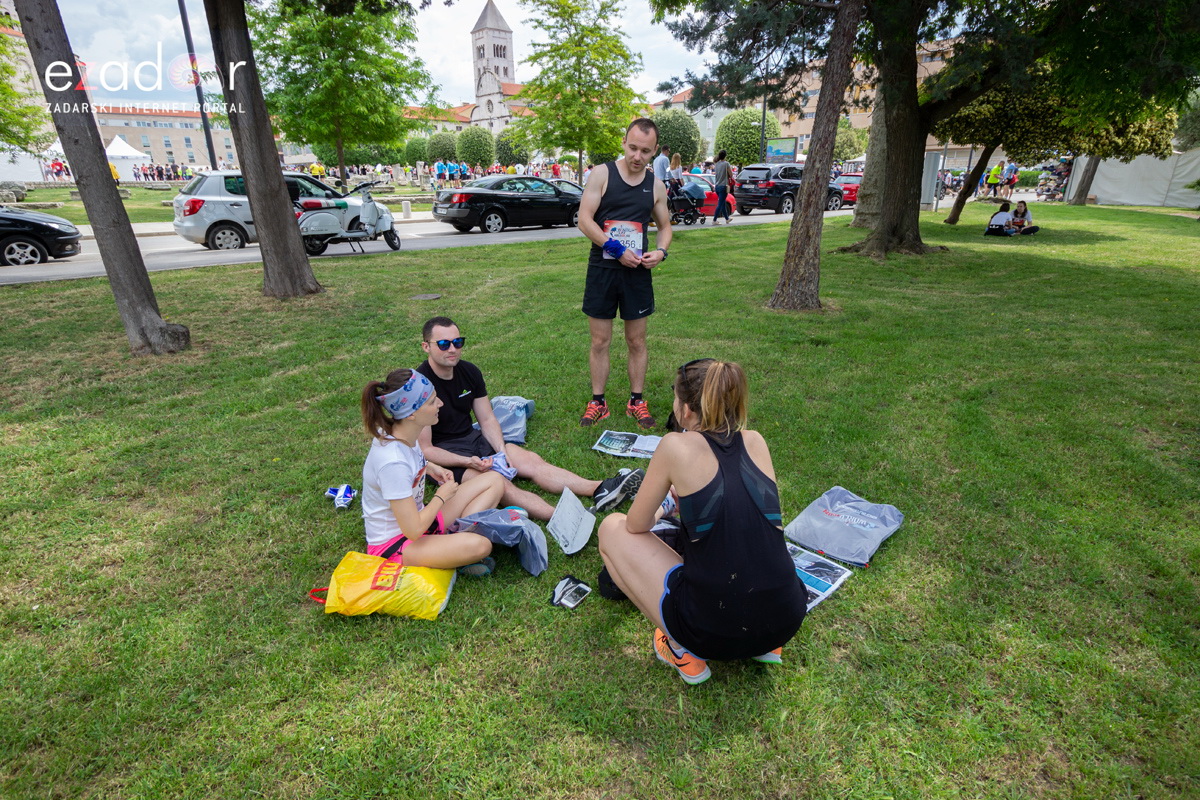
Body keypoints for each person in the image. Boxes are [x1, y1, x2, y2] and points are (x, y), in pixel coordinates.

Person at [597, 359, 807, 685]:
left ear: (686, 410)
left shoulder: (674, 445)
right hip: (786, 619)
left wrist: (663, 508)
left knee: (611, 527)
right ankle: (763, 645)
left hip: (711, 631)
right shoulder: (756, 440)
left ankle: (680, 647)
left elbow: (635, 525)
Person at [415, 317, 645, 521]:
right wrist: (467, 462)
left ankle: (600, 488)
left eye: (458, 342)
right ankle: (562, 517)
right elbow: (426, 449)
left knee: (531, 462)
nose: (453, 349)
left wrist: (501, 451)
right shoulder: (419, 385)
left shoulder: (469, 371)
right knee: (499, 483)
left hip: (473, 439)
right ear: (426, 346)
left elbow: (487, 419)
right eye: (444, 344)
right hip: (445, 456)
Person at [577, 118, 673, 430]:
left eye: (645, 151)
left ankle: (636, 401)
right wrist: (616, 248)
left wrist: (661, 251)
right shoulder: (602, 174)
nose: (637, 156)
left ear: (654, 151)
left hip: (637, 274)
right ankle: (598, 402)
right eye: (632, 148)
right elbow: (584, 219)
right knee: (599, 340)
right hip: (603, 269)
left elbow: (665, 226)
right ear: (623, 142)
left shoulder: (655, 185)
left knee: (637, 340)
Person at [360, 368, 502, 573]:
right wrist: (440, 497)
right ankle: (458, 543)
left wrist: (430, 467)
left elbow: (410, 460)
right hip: (398, 544)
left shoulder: (403, 432)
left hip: (423, 520)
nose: (440, 404)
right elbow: (413, 530)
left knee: (494, 479)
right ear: (411, 414)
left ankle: (454, 541)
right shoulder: (392, 463)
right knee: (481, 546)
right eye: (432, 401)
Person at [711, 149, 733, 225]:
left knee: (723, 203)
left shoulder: (716, 164)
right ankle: (714, 220)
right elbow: (731, 174)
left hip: (717, 186)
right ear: (725, 156)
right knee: (720, 204)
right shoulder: (726, 164)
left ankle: (727, 218)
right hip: (723, 186)